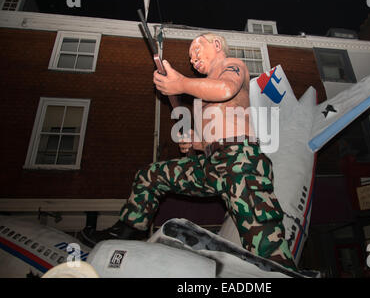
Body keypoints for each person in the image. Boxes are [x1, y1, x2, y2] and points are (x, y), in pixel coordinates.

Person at [80, 33, 297, 271]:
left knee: (266, 244)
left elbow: (226, 89)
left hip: (241, 161)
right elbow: (214, 138)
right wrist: (195, 142)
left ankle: (282, 270)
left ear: (216, 45)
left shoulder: (233, 65)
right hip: (211, 165)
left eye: (197, 49)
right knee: (150, 175)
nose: (193, 59)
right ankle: (127, 231)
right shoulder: (199, 98)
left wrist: (181, 83)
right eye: (190, 56)